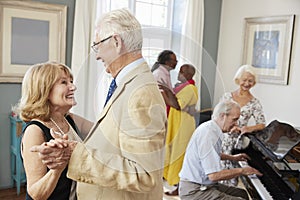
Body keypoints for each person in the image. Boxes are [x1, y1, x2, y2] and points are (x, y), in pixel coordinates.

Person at [31, 8, 167, 200]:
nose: (96, 55)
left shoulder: (140, 93)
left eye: (97, 46)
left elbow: (142, 174)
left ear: (116, 42)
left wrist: (74, 154)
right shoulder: (127, 85)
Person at [18, 62, 93, 200]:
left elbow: (103, 133)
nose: (73, 87)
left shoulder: (70, 119)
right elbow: (36, 194)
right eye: (64, 82)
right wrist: (56, 169)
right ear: (44, 90)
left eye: (71, 81)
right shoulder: (35, 131)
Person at [178, 100, 263, 200]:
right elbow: (214, 176)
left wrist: (232, 158)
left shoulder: (212, 128)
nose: (236, 124)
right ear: (223, 116)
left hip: (203, 185)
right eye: (234, 120)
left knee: (241, 193)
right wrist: (242, 170)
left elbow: (210, 154)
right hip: (194, 191)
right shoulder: (209, 135)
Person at [220, 64, 266, 185]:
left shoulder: (255, 102)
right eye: (244, 80)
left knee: (232, 176)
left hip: (237, 142)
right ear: (238, 80)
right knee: (217, 172)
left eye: (250, 81)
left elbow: (262, 124)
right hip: (222, 138)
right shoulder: (227, 97)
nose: (247, 83)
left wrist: (247, 128)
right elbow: (217, 117)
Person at [160, 64, 198, 196]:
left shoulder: (190, 88)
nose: (179, 74)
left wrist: (164, 92)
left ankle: (180, 187)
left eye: (182, 72)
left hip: (183, 126)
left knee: (180, 155)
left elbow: (177, 104)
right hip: (176, 122)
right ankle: (174, 182)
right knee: (172, 152)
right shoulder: (181, 87)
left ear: (188, 75)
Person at [151, 50, 178, 115]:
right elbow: (162, 95)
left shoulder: (165, 72)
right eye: (174, 60)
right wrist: (176, 106)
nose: (176, 62)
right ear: (167, 62)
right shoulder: (159, 73)